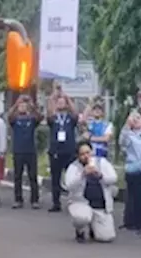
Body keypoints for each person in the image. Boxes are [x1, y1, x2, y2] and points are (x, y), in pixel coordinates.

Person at [64, 141, 118, 242]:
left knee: (106, 237)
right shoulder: (74, 167)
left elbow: (113, 178)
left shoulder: (101, 162)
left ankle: (94, 228)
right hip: (81, 202)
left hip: (100, 205)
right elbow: (69, 185)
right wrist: (82, 174)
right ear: (78, 156)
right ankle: (80, 230)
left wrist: (100, 175)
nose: (86, 156)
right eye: (82, 154)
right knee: (82, 218)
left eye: (88, 152)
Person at [46, 85, 79, 213]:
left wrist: (67, 97)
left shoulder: (70, 118)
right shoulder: (53, 118)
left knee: (71, 178)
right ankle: (56, 203)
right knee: (56, 178)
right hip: (55, 151)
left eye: (62, 102)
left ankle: (73, 201)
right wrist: (53, 98)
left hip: (69, 151)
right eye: (58, 102)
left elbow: (76, 114)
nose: (60, 104)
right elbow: (49, 112)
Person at [9, 96, 41, 209]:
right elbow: (9, 116)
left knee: (33, 176)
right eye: (20, 106)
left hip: (30, 151)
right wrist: (16, 103)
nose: (22, 107)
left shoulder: (31, 119)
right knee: (17, 176)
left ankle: (35, 200)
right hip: (18, 151)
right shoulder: (15, 119)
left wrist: (32, 105)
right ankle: (18, 199)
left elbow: (39, 117)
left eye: (24, 105)